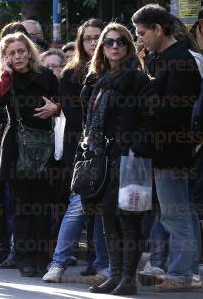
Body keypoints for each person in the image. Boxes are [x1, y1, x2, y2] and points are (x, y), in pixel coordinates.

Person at [132, 4, 202, 292]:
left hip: (170, 149)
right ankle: (185, 271)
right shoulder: (163, 58)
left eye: (142, 33)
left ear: (158, 30)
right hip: (167, 149)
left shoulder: (179, 61)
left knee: (175, 213)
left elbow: (170, 111)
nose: (140, 40)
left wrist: (140, 138)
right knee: (181, 211)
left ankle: (182, 274)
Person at [78, 23, 150, 295]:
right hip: (101, 156)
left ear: (129, 46)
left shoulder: (138, 78)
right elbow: (90, 122)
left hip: (129, 157)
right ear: (102, 48)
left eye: (120, 41)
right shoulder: (98, 79)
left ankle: (128, 279)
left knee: (127, 217)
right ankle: (116, 274)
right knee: (107, 215)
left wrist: (135, 148)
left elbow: (148, 119)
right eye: (108, 42)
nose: (115, 46)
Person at [0, 32, 59, 277]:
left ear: (29, 51)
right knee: (22, 205)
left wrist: (56, 108)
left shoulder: (46, 75)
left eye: (21, 51)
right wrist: (5, 74)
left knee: (42, 205)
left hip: (44, 145)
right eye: (12, 53)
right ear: (5, 57)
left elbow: (65, 103)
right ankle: (24, 257)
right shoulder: (5, 79)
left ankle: (41, 256)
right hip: (17, 146)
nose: (18, 56)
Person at [42, 18, 109, 285]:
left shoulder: (116, 68)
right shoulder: (72, 74)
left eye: (98, 37)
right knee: (77, 207)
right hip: (82, 150)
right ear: (81, 42)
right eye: (88, 38)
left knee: (105, 211)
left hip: (112, 149)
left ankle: (103, 266)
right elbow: (74, 114)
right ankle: (57, 263)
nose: (94, 42)